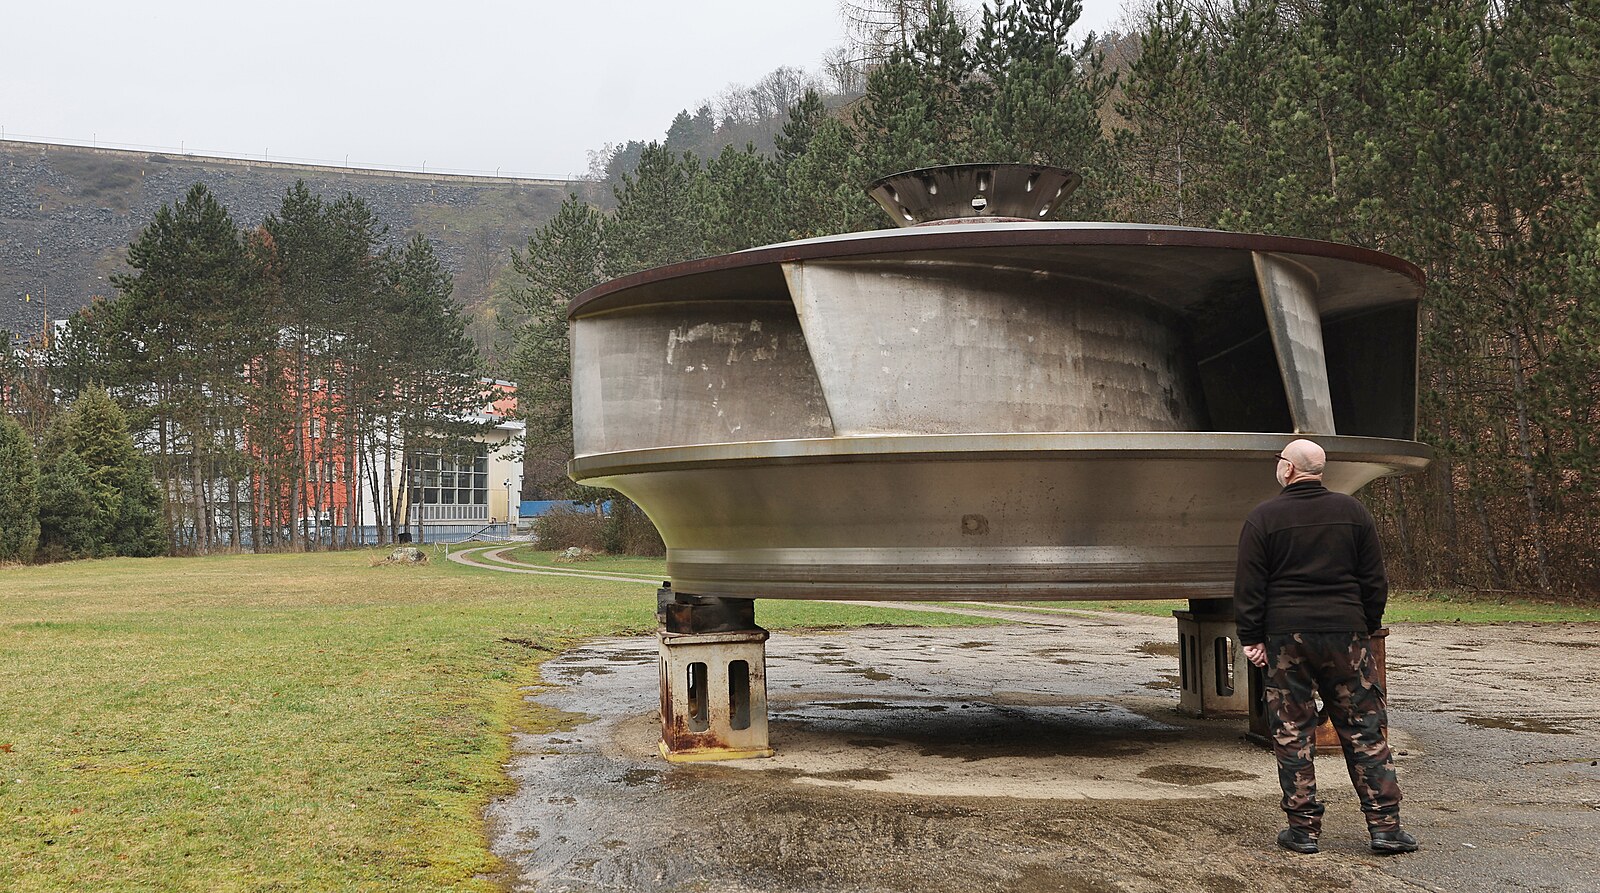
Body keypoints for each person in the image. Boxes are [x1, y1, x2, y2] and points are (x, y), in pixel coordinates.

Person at [1234, 438, 1418, 856]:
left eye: (1280, 460)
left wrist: (1252, 637)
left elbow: (1249, 585)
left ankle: (1303, 831)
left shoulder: (1264, 517)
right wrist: (1365, 628)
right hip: (1345, 633)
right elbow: (1374, 579)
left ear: (1288, 469)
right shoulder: (1353, 512)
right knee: (1364, 729)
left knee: (1292, 732)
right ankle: (1385, 828)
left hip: (1286, 638)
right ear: (1320, 470)